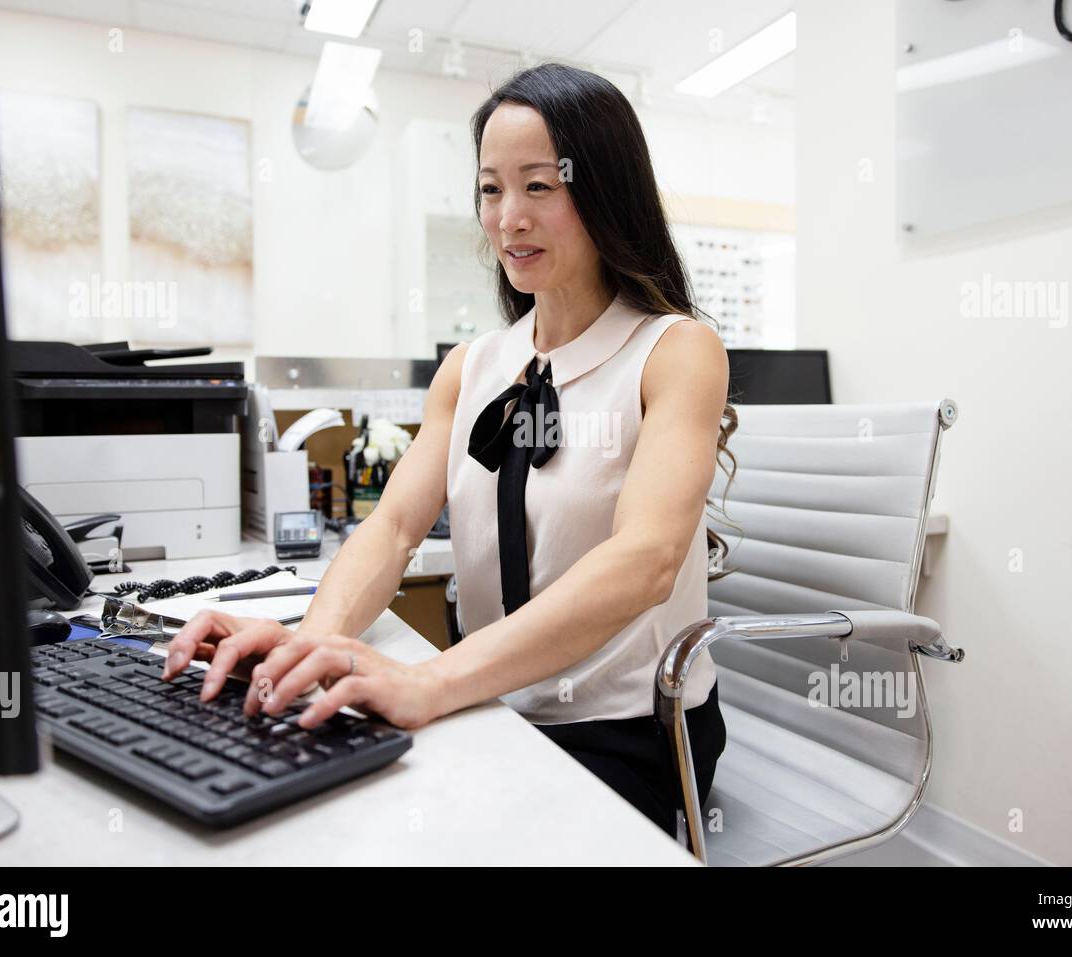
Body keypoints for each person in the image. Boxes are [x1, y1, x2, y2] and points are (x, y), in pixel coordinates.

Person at [163, 63, 738, 839]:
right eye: (490, 189)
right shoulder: (471, 367)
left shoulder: (675, 351)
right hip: (492, 702)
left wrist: (430, 682)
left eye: (539, 186)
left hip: (626, 730)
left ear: (604, 189)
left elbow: (646, 559)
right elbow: (395, 528)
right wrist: (314, 641)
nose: (508, 219)